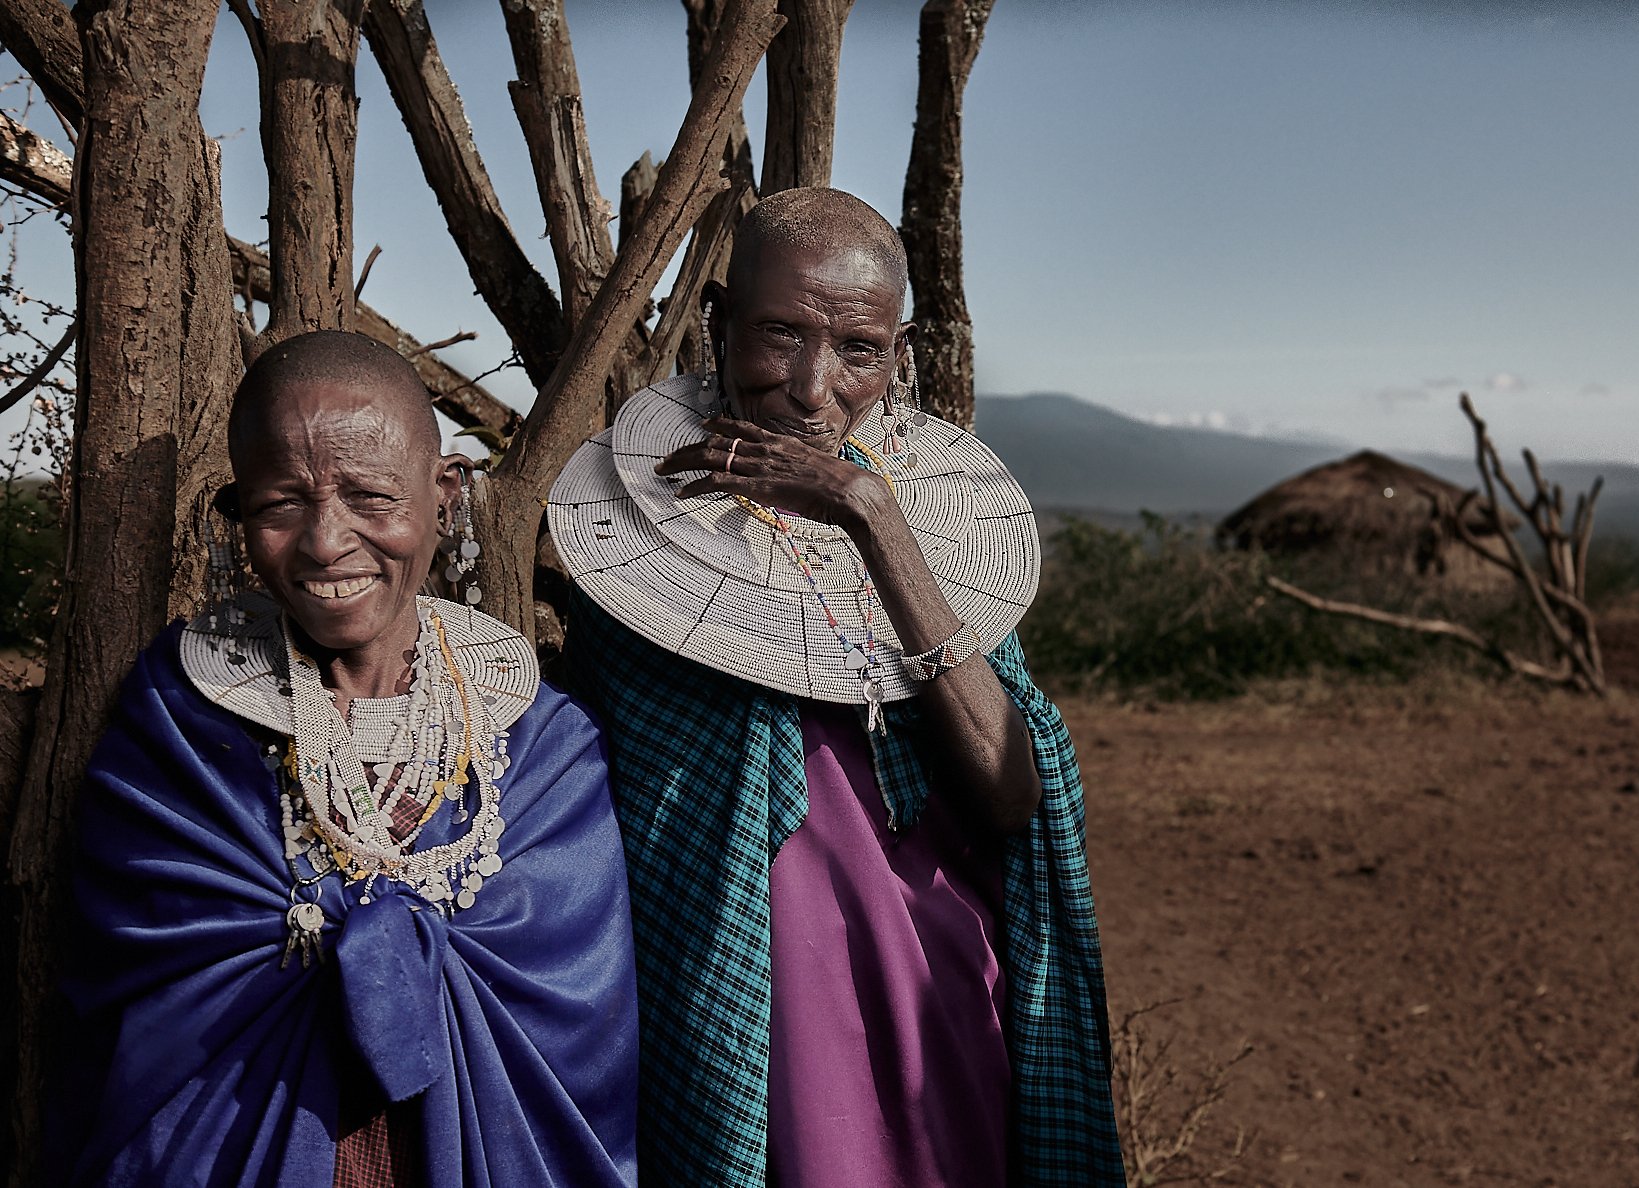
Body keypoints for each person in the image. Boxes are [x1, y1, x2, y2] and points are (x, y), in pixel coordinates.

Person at [552, 188, 1122, 1186]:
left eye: (857, 349)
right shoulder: (625, 539)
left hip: (940, 978)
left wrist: (872, 517)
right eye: (779, 335)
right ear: (718, 322)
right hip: (752, 988)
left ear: (898, 358)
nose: (813, 388)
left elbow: (1010, 791)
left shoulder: (941, 539)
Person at [51, 331, 639, 1187]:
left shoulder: (542, 747)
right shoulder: (182, 726)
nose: (327, 543)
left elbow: (578, 1020)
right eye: (280, 505)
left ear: (444, 497)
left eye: (370, 495)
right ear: (236, 515)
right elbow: (148, 998)